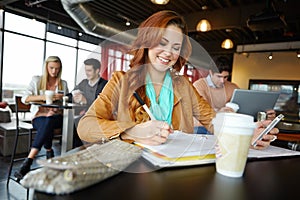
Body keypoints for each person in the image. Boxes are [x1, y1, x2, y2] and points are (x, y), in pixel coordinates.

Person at [77, 10, 276, 149]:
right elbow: (86, 126)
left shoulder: (183, 86)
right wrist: (130, 131)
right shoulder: (121, 81)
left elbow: (214, 121)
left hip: (172, 170)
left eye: (175, 47)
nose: (168, 53)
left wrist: (247, 135)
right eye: (162, 43)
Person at [14, 56, 69, 180]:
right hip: (39, 117)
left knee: (49, 120)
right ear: (46, 67)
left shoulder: (63, 84)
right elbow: (25, 98)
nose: (54, 71)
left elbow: (65, 103)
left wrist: (57, 108)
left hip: (56, 117)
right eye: (51, 68)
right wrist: (45, 97)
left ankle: (28, 162)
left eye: (57, 69)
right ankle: (49, 151)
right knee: (46, 122)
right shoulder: (37, 81)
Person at [192, 56, 239, 134]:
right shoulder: (198, 86)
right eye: (219, 76)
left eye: (225, 77)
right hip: (201, 126)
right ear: (211, 72)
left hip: (225, 127)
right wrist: (219, 112)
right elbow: (203, 114)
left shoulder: (234, 88)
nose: (222, 81)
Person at [71, 58, 107, 147]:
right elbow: (71, 94)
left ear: (97, 70)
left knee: (77, 124)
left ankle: (81, 150)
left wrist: (86, 101)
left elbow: (104, 105)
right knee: (73, 124)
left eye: (89, 70)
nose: (87, 73)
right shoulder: (84, 83)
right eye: (86, 70)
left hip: (98, 116)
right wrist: (74, 97)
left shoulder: (105, 85)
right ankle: (77, 150)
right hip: (84, 114)